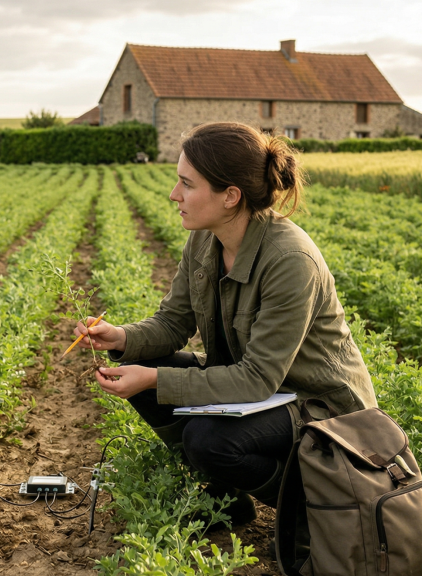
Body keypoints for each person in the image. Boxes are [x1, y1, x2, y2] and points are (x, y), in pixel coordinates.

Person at [73, 122, 377, 524]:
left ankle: (315, 516)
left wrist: (155, 381)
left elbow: (256, 380)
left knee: (208, 439)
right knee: (142, 365)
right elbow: (173, 323)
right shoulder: (204, 239)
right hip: (263, 389)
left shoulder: (289, 260)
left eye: (187, 184)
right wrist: (119, 336)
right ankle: (226, 501)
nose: (174, 194)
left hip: (318, 407)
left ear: (231, 196)